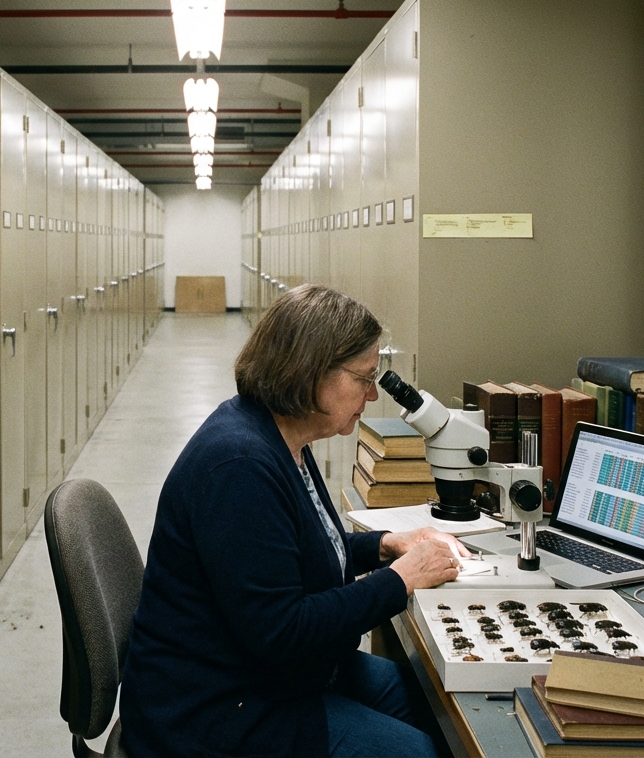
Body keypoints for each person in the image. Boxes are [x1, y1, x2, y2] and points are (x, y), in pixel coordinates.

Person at [119, 284, 466, 757]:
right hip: (216, 709)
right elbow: (282, 631)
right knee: (420, 752)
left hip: (271, 674)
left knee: (436, 704)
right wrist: (401, 579)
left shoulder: (282, 438)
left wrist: (388, 544)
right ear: (308, 372)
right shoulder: (239, 465)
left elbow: (298, 551)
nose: (371, 393)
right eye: (363, 378)